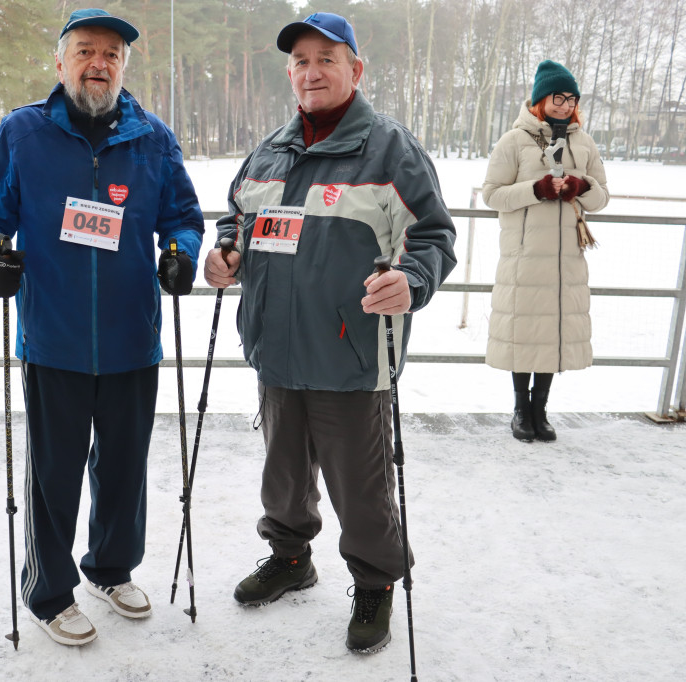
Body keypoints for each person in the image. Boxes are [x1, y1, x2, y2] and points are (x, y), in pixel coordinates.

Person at [203, 12, 456, 653]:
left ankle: (375, 581)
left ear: (354, 70)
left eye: (326, 59)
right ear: (290, 74)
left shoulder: (391, 148)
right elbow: (238, 220)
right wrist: (227, 253)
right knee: (282, 475)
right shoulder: (270, 150)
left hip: (351, 354)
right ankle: (291, 558)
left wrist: (413, 281)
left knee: (360, 485)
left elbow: (431, 235)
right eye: (300, 62)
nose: (311, 72)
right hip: (275, 349)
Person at [0, 8, 204, 647]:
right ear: (60, 61)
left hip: (131, 338)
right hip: (55, 338)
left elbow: (182, 214)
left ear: (123, 67)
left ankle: (110, 567)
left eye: (113, 55)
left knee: (125, 467)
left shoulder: (151, 137)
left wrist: (178, 253)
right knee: (54, 474)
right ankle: (48, 591)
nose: (100, 64)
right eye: (87, 51)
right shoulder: (24, 132)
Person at [482, 59, 609, 443]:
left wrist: (580, 186)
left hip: (567, 258)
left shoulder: (584, 142)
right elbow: (492, 195)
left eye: (572, 98)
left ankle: (541, 411)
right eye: (558, 97)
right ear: (541, 99)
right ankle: (521, 409)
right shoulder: (513, 141)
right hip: (524, 257)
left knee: (552, 333)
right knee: (526, 334)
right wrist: (535, 190)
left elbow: (602, 197)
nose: (565, 104)